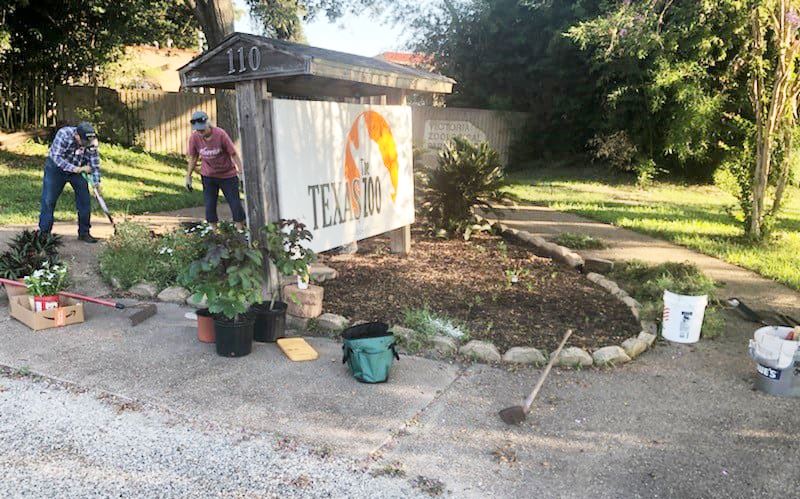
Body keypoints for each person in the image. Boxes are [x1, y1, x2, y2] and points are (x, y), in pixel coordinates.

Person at [38, 122, 101, 243]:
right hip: (56, 169)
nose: (86, 145)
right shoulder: (63, 135)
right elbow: (57, 158)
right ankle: (44, 234)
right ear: (77, 135)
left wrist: (96, 182)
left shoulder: (91, 140)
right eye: (83, 141)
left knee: (84, 201)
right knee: (48, 200)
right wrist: (76, 169)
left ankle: (84, 232)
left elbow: (94, 161)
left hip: (78, 169)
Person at [185, 111, 246, 229]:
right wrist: (188, 176)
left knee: (235, 204)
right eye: (198, 130)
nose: (200, 133)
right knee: (210, 205)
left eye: (202, 130)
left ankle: (241, 231)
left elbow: (233, 154)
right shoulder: (194, 138)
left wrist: (241, 171)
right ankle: (214, 234)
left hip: (227, 175)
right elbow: (193, 157)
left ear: (208, 123)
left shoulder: (220, 134)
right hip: (208, 176)